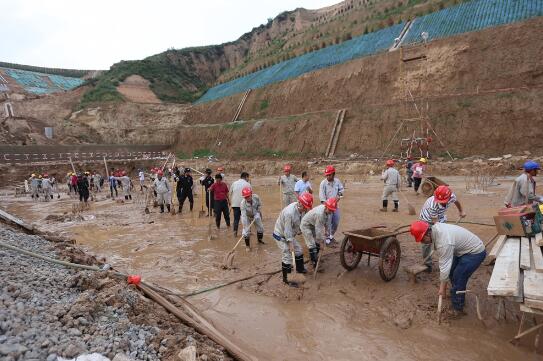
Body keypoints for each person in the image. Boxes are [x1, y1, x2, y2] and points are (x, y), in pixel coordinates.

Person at [410, 221, 486, 316]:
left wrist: (442, 289)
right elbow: (446, 268)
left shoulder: (444, 242)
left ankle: (458, 309)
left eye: (422, 239)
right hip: (461, 250)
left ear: (428, 233)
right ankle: (458, 293)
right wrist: (444, 288)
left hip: (475, 252)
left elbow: (444, 267)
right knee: (452, 273)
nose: (422, 242)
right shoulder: (435, 229)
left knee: (458, 277)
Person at [419, 185, 466, 272]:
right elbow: (436, 225)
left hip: (440, 217)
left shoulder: (451, 196)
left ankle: (446, 261)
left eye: (444, 201)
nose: (442, 202)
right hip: (426, 220)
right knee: (426, 243)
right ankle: (427, 264)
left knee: (443, 240)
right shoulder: (432, 204)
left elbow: (456, 202)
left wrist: (461, 211)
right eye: (440, 201)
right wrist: (437, 237)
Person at [273, 192, 313, 287]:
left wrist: (300, 230)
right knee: (287, 254)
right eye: (305, 207)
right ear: (300, 204)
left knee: (298, 249)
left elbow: (301, 222)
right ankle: (287, 280)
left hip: (289, 234)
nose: (306, 209)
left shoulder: (301, 210)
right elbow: (287, 230)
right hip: (281, 235)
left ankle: (300, 269)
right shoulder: (289, 212)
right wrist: (290, 244)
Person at [301, 198, 337, 270]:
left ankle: (314, 258)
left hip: (313, 224)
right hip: (306, 225)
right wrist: (321, 243)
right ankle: (314, 265)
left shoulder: (327, 211)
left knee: (316, 242)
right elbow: (318, 232)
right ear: (326, 206)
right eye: (330, 210)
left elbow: (326, 220)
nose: (331, 212)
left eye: (332, 211)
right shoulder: (320, 214)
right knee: (312, 244)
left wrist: (326, 230)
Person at [319, 165, 344, 245]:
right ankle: (327, 240)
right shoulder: (323, 183)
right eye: (327, 175)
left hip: (335, 206)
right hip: (327, 208)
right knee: (328, 224)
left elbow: (341, 190)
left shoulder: (337, 181)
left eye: (329, 175)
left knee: (336, 222)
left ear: (333, 174)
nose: (328, 176)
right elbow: (322, 197)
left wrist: (338, 197)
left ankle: (331, 236)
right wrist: (326, 208)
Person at [240, 186, 265, 251]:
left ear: (251, 194)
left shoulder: (256, 197)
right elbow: (243, 216)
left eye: (248, 196)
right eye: (245, 197)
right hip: (247, 217)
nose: (247, 198)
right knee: (246, 232)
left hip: (256, 214)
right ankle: (247, 246)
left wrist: (258, 212)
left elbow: (259, 205)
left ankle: (260, 241)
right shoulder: (243, 204)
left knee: (261, 228)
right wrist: (245, 227)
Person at [230, 172, 251, 236]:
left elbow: (230, 192)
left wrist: (230, 203)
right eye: (248, 177)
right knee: (246, 218)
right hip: (244, 204)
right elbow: (250, 195)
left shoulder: (234, 183)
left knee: (236, 219)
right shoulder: (248, 184)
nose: (248, 179)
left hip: (235, 204)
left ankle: (235, 233)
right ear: (245, 177)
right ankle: (247, 232)